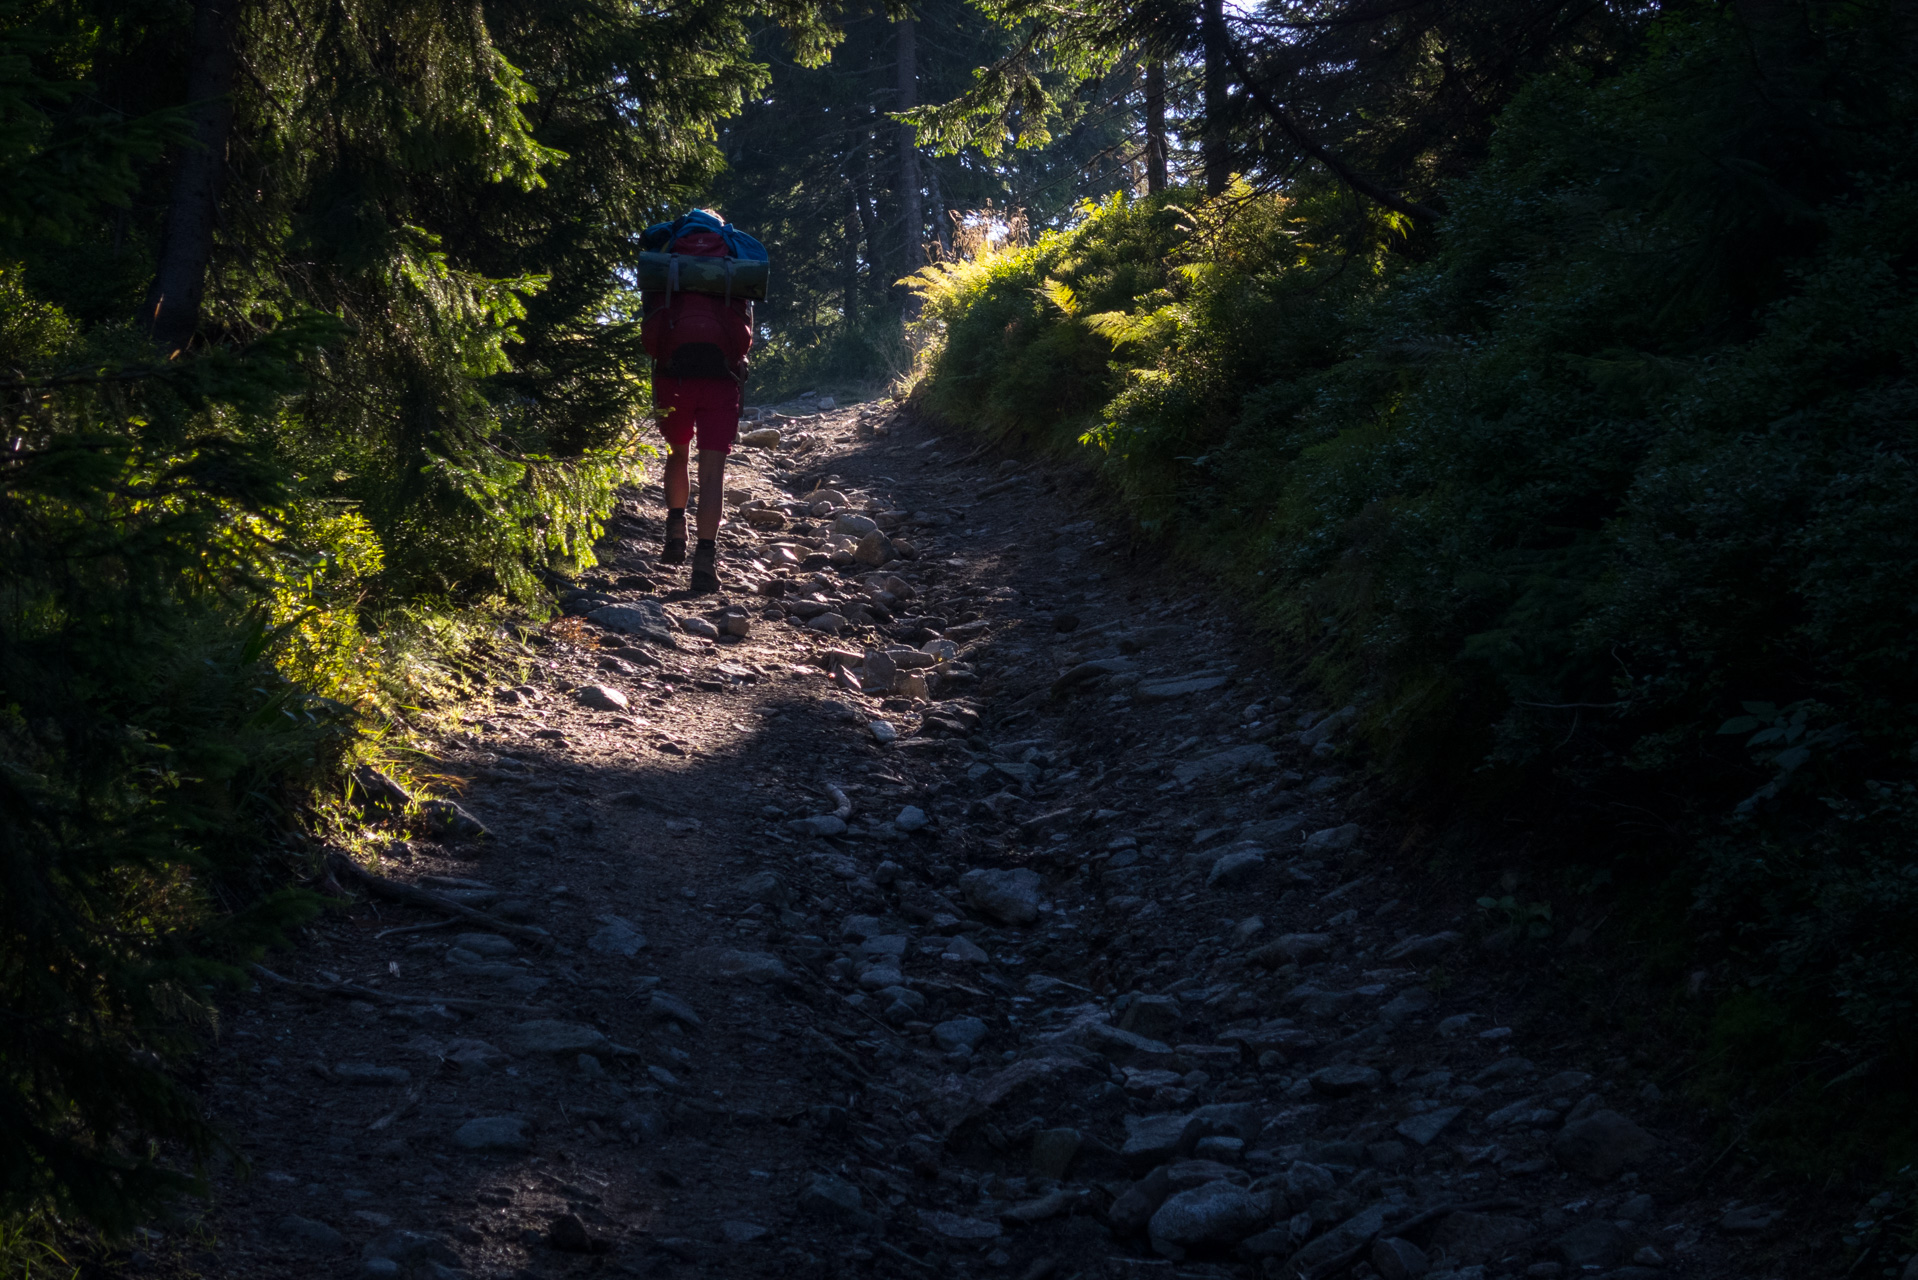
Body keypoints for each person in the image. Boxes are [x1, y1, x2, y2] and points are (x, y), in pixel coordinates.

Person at [639, 209, 763, 594]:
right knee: (714, 472)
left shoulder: (668, 252)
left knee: (678, 453)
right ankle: (705, 562)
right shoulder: (734, 257)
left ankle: (676, 529)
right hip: (721, 378)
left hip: (673, 373)